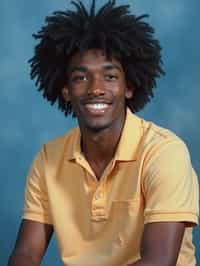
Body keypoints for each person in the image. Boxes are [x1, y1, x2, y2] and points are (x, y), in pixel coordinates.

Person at [8, 0, 199, 265]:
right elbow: (26, 254)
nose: (95, 88)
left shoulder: (164, 152)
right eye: (81, 77)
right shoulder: (48, 158)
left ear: (129, 87)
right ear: (66, 91)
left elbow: (159, 261)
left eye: (109, 77)